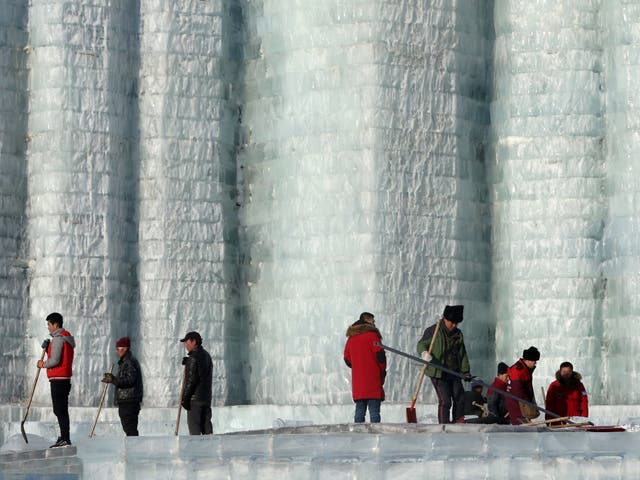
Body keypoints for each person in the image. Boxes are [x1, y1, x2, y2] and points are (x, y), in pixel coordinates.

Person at [417, 305, 472, 424]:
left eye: (457, 323)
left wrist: (465, 371)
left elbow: (462, 353)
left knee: (460, 397)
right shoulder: (433, 330)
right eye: (452, 322)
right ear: (445, 319)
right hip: (438, 372)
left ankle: (458, 421)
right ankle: (444, 425)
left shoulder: (458, 334)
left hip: (454, 371)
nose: (454, 325)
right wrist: (424, 353)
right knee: (445, 400)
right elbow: (421, 345)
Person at [38, 312, 75, 448]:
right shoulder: (63, 338)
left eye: (49, 324)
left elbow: (55, 360)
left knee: (60, 410)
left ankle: (65, 438)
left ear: (56, 324)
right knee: (60, 409)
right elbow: (58, 356)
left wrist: (43, 364)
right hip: (62, 378)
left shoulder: (59, 338)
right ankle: (64, 437)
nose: (48, 327)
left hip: (59, 379)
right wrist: (48, 348)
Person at [343, 312, 387, 423]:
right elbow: (380, 356)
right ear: (367, 320)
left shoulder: (351, 338)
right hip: (372, 378)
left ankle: (358, 436)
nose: (374, 322)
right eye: (372, 320)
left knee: (359, 411)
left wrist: (358, 365)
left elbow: (347, 358)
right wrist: (382, 371)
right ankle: (375, 436)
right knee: (374, 412)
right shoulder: (372, 336)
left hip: (358, 380)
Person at [101, 337, 144, 436]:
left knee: (130, 429)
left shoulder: (129, 362)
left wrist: (114, 379)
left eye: (118, 349)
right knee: (129, 428)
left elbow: (130, 380)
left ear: (124, 349)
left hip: (129, 401)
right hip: (128, 400)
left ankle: (134, 449)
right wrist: (113, 379)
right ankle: (133, 448)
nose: (116, 351)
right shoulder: (127, 361)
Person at [180, 331, 213, 434]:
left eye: (187, 342)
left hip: (195, 400)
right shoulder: (206, 355)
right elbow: (201, 371)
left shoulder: (193, 358)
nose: (186, 345)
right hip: (206, 398)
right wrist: (189, 361)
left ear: (194, 342)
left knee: (195, 428)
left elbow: (191, 381)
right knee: (206, 425)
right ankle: (210, 447)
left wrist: (185, 399)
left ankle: (197, 449)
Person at [506, 346, 540, 425]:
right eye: (534, 361)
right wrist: (528, 402)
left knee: (525, 424)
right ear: (528, 360)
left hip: (521, 402)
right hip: (517, 403)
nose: (535, 363)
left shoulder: (525, 369)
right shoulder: (518, 371)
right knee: (521, 428)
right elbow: (517, 390)